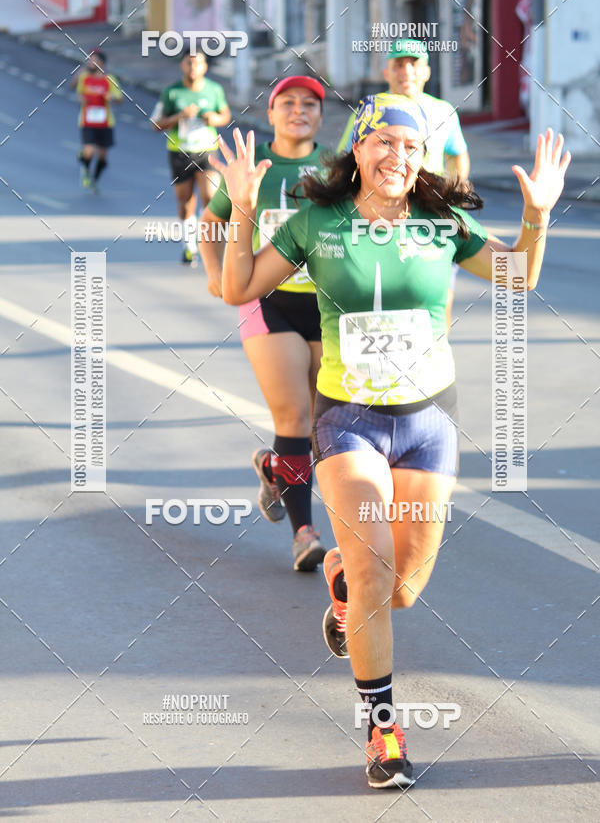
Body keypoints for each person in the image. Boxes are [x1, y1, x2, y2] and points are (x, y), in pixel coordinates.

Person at [219, 93, 570, 788]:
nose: (397, 156)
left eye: (411, 147)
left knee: (400, 589)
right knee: (376, 573)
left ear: (422, 159)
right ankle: (383, 732)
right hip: (348, 421)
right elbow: (238, 288)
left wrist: (538, 214)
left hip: (426, 425)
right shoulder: (317, 222)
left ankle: (342, 583)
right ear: (357, 149)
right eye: (383, 141)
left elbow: (519, 276)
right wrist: (243, 208)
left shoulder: (444, 223)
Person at [199, 75, 328, 573]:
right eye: (287, 102)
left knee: (320, 427)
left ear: (321, 116)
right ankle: (304, 533)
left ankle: (275, 467)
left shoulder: (338, 170)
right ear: (270, 114)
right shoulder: (253, 170)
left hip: (327, 306)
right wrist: (215, 272)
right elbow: (210, 222)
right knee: (293, 416)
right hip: (267, 302)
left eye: (309, 103)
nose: (299, 110)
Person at [338, 39, 471, 330]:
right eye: (398, 64)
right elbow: (345, 161)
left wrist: (457, 191)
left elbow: (458, 153)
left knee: (438, 298)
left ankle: (434, 349)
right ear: (386, 72)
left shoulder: (443, 111)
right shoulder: (370, 109)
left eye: (414, 64)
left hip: (430, 216)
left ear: (427, 72)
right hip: (378, 218)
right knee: (379, 297)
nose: (406, 71)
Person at [151, 49, 231, 266]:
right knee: (186, 201)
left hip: (206, 151)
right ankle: (189, 246)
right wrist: (179, 116)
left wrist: (214, 118)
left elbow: (225, 115)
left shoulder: (214, 89)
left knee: (210, 197)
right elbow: (156, 124)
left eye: (197, 63)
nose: (193, 67)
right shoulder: (172, 92)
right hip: (180, 152)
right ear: (182, 65)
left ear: (205, 67)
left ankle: (209, 243)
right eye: (189, 63)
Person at [71, 49, 122, 193]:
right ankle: (85, 170)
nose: (90, 63)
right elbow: (77, 91)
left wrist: (111, 97)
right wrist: (81, 98)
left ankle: (95, 180)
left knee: (103, 156)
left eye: (94, 60)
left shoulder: (109, 79)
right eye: (89, 60)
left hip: (106, 122)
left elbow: (119, 99)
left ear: (102, 63)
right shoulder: (84, 77)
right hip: (87, 121)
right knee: (89, 151)